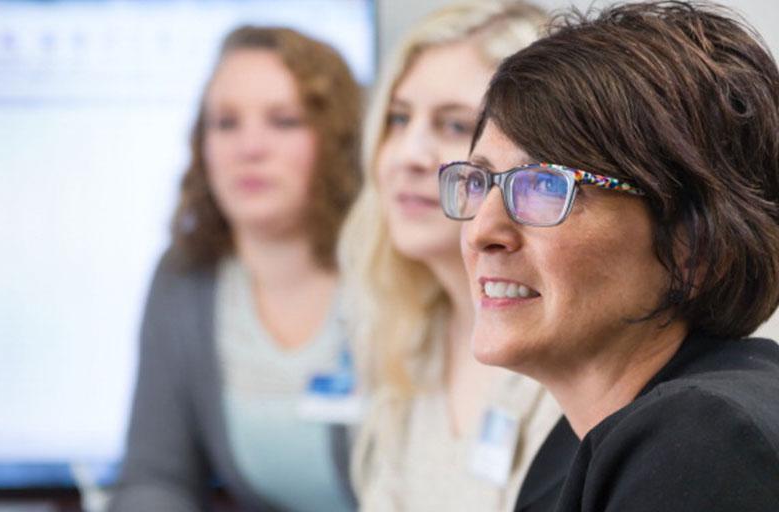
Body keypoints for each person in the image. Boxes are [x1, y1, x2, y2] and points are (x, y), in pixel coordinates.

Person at [440, 1, 779, 510]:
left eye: (544, 186)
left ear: (695, 243)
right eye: (481, 181)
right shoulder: (574, 448)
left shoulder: (704, 442)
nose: (481, 231)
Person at [108, 26, 362, 512]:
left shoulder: (393, 266)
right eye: (225, 123)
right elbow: (156, 477)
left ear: (336, 138)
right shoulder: (185, 277)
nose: (249, 147)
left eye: (283, 121)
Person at [337, 2, 573, 511]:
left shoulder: (573, 355)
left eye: (452, 126)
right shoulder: (406, 333)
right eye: (398, 119)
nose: (408, 155)